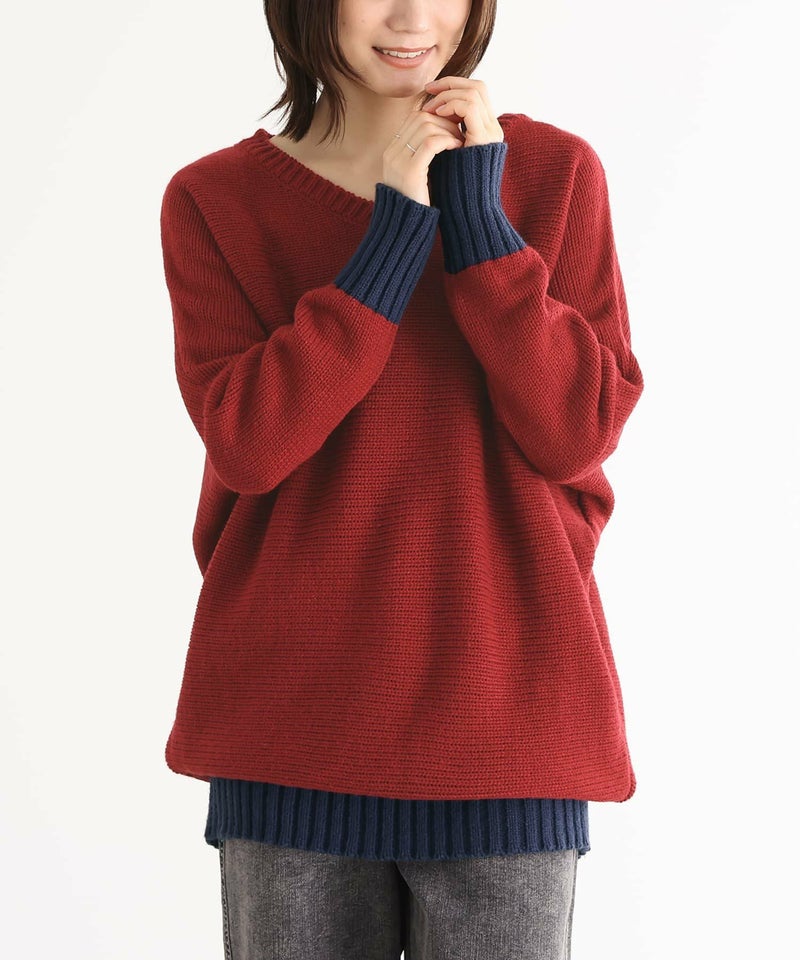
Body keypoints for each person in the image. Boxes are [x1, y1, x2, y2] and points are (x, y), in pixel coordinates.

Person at [158, 0, 645, 957]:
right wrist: (393, 235)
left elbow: (577, 430)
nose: (414, 16)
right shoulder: (216, 200)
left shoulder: (556, 177)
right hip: (293, 730)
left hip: (507, 727)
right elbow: (251, 443)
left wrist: (479, 220)